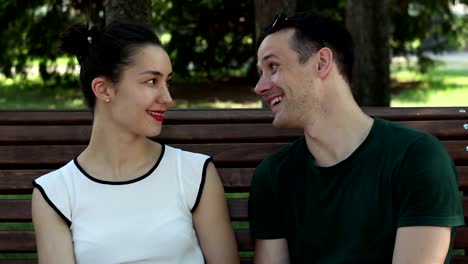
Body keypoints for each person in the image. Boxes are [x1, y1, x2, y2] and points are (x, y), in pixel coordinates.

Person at [248, 11, 464, 263]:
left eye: (273, 67)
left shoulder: (416, 159)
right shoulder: (273, 176)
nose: (260, 87)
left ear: (321, 63)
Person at [31, 21, 239, 264]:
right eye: (152, 81)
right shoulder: (56, 193)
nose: (168, 98)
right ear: (103, 89)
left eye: (167, 82)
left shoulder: (193, 174)